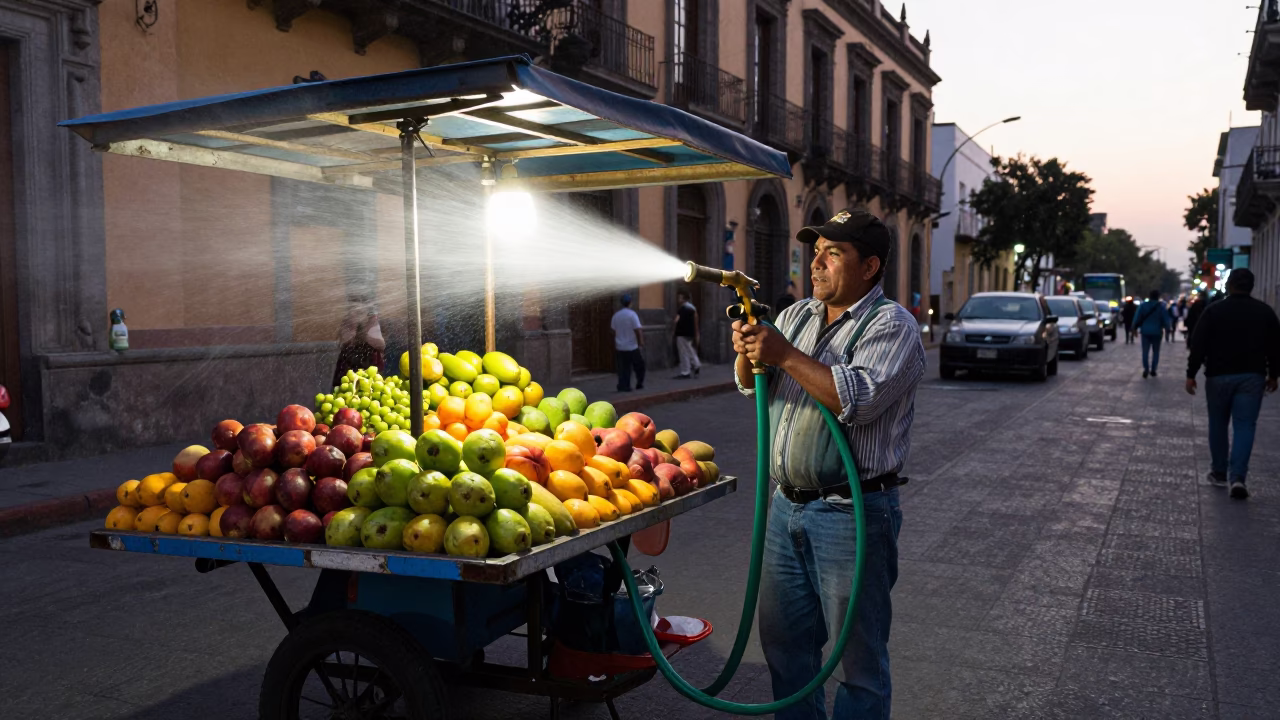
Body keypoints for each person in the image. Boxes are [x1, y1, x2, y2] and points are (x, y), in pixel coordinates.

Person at [732, 208, 924, 719]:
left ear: (869, 267)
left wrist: (783, 355)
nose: (816, 263)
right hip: (784, 507)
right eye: (815, 251)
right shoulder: (797, 316)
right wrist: (748, 351)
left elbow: (856, 400)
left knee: (857, 664)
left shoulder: (893, 327)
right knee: (786, 652)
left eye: (833, 253)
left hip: (852, 513)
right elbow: (754, 386)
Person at [1186, 269, 1280, 500]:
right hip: (1252, 376)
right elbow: (1276, 347)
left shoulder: (1213, 311)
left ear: (1228, 285)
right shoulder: (1265, 312)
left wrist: (1191, 374)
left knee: (1218, 424)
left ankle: (1219, 472)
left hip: (1218, 376)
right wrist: (1274, 375)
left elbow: (1198, 344)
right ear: (1252, 286)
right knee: (1245, 426)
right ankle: (1237, 477)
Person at [333, 294, 385, 387]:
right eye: (354, 309)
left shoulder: (372, 321)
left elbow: (381, 345)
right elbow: (343, 341)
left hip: (370, 368)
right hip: (348, 369)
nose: (358, 311)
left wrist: (365, 332)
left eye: (360, 309)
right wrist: (353, 323)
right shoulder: (347, 322)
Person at [611, 294, 645, 392]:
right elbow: (638, 329)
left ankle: (623, 385)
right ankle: (639, 383)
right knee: (639, 366)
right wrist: (641, 342)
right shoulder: (632, 315)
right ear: (630, 303)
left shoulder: (616, 315)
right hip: (632, 346)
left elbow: (613, 330)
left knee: (623, 368)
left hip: (620, 346)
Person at [1134, 289, 1171, 378]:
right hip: (1157, 332)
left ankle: (1146, 369)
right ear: (1158, 297)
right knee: (1156, 352)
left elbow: (1137, 317)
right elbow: (1166, 319)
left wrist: (1134, 328)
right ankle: (1153, 369)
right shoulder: (1161, 307)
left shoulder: (1143, 306)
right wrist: (1168, 329)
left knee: (1145, 352)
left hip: (1145, 332)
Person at [670, 290, 701, 379]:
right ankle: (695, 364)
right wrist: (696, 333)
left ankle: (686, 370)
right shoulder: (692, 308)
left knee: (683, 352)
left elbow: (676, 320)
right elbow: (696, 321)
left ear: (683, 298)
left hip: (681, 333)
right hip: (690, 333)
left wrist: (673, 330)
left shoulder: (682, 308)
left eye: (679, 297)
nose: (678, 299)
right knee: (689, 349)